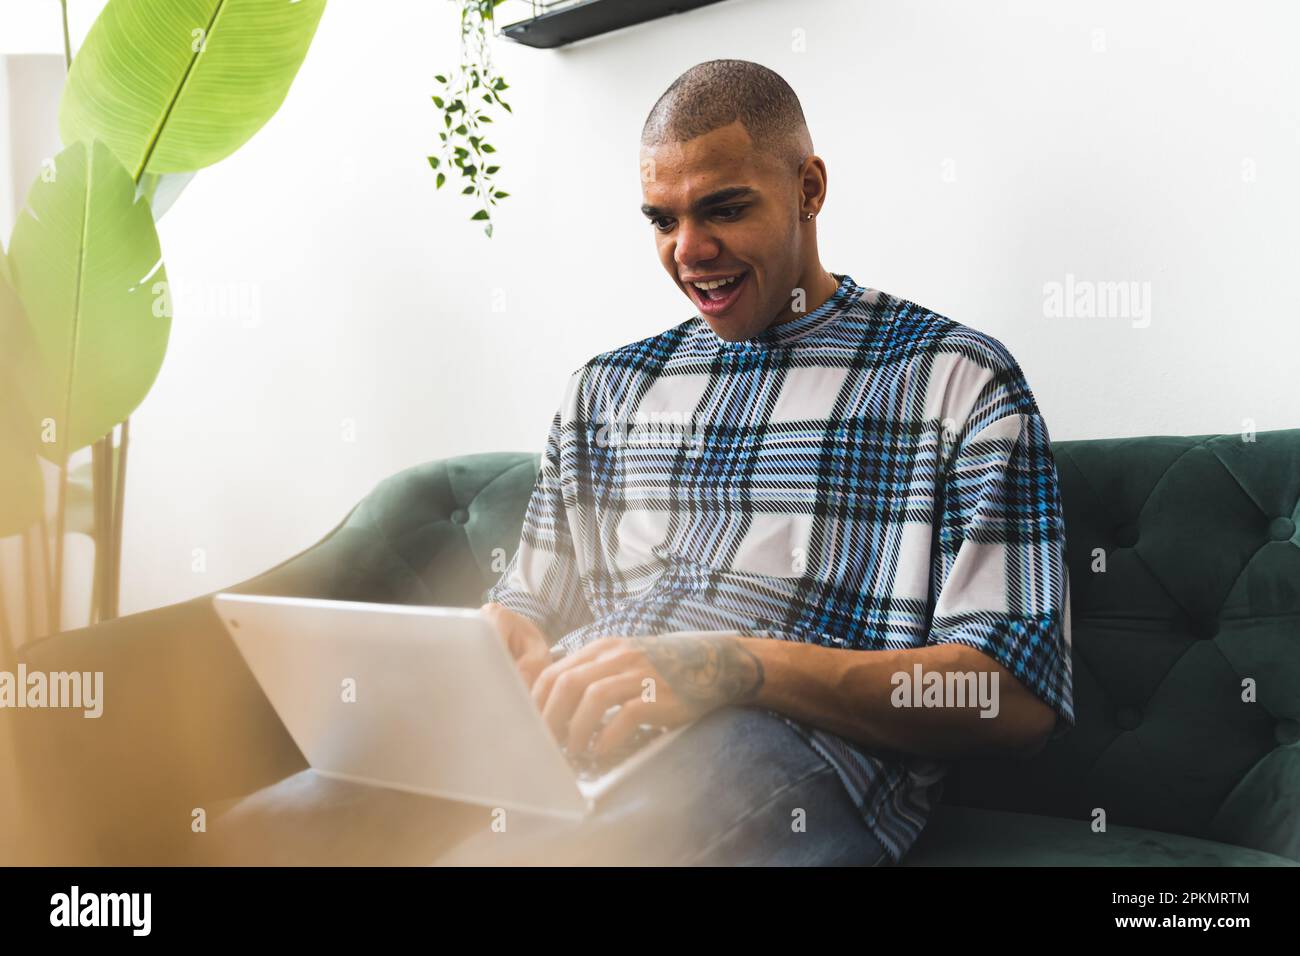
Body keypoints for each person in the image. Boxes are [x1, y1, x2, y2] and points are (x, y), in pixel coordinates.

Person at [203, 58, 1074, 867]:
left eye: (724, 209)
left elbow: (1015, 699)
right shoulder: (609, 388)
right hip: (572, 735)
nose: (688, 252)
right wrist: (507, 635)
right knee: (253, 837)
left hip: (779, 749)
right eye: (664, 219)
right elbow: (530, 600)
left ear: (808, 188)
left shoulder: (955, 379)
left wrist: (724, 664)